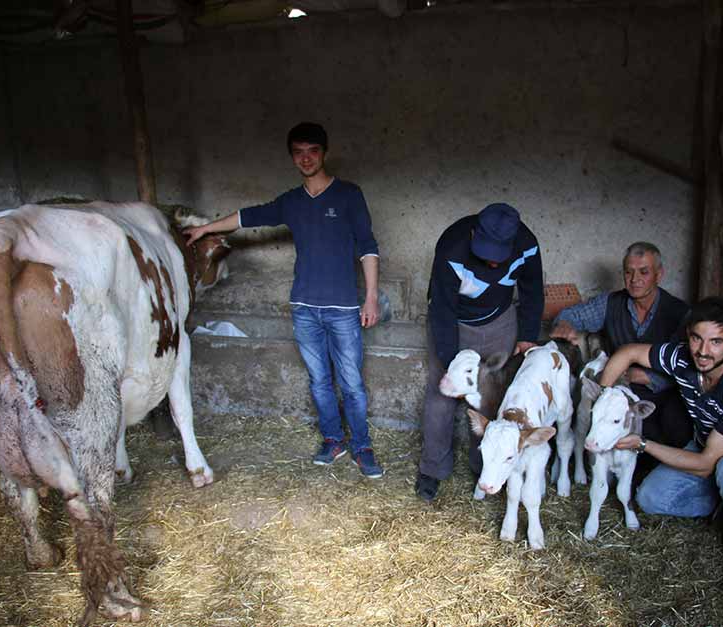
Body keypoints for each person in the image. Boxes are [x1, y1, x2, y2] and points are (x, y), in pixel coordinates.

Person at [184, 122, 384, 478]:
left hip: (343, 309)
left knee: (351, 382)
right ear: (292, 157)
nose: (306, 158)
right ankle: (333, 439)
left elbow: (368, 247)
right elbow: (248, 216)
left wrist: (370, 298)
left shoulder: (349, 195)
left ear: (324, 153)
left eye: (312, 151)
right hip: (304, 307)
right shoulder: (291, 202)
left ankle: (362, 445)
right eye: (298, 152)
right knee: (319, 380)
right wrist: (206, 229)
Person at [599, 297, 723, 589]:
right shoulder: (683, 357)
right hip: (707, 444)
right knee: (649, 498)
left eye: (716, 342)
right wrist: (604, 399)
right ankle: (722, 506)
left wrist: (642, 443)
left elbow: (707, 464)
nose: (703, 351)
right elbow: (629, 352)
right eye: (697, 338)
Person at [415, 203, 544, 501]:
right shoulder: (452, 245)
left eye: (500, 256)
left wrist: (527, 337)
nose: (493, 263)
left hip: (499, 321)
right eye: (486, 253)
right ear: (474, 233)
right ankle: (433, 469)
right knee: (441, 396)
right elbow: (442, 308)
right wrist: (451, 365)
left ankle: (484, 466)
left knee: (492, 397)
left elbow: (533, 289)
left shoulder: (526, 245)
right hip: (454, 322)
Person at [550, 242, 691, 462]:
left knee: (674, 429)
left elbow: (686, 364)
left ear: (659, 274)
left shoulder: (679, 312)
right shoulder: (611, 303)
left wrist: (647, 377)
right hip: (618, 392)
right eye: (628, 272)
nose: (635, 279)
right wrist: (566, 324)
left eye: (644, 272)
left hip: (661, 396)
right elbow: (570, 315)